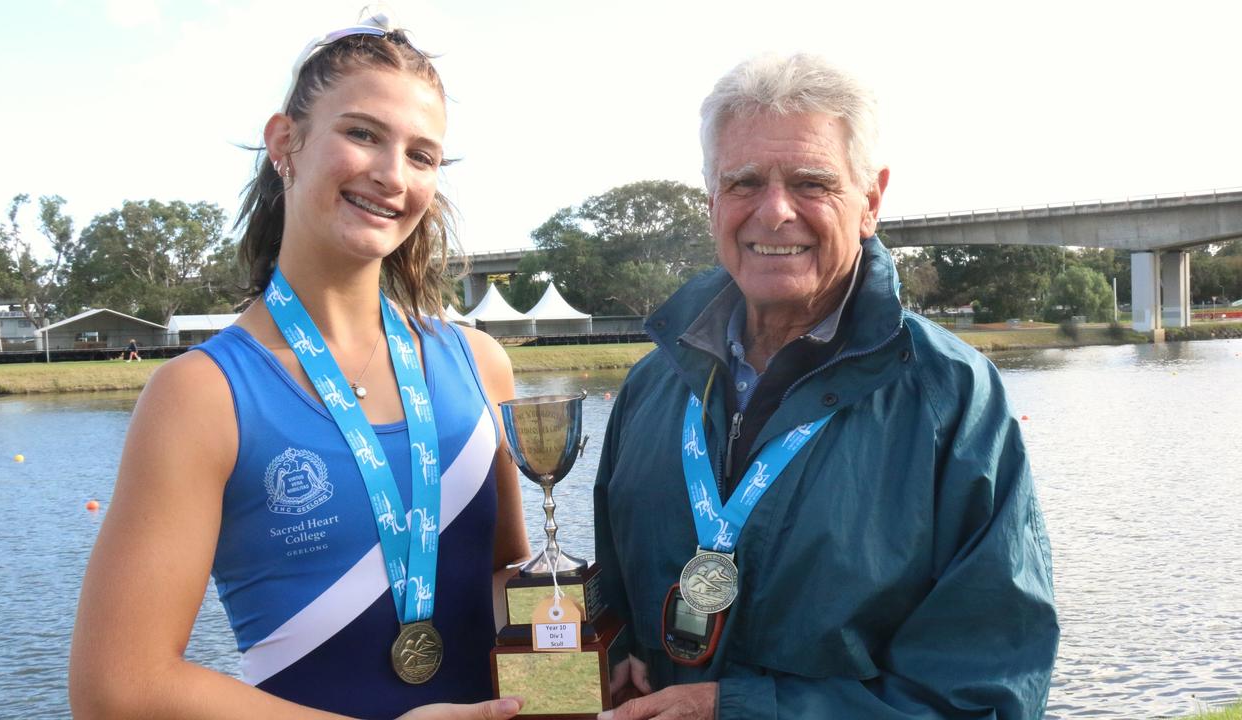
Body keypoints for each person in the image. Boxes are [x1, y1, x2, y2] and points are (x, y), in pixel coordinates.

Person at [70, 15, 529, 720]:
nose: (390, 174)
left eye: (422, 154)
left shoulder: (480, 365)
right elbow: (116, 690)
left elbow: (500, 578)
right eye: (363, 134)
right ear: (286, 141)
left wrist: (597, 645)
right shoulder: (203, 394)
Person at [594, 54, 1058, 720]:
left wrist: (740, 711)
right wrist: (615, 656)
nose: (775, 211)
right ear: (712, 202)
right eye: (745, 181)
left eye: (811, 182)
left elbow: (983, 695)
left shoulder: (953, 399)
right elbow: (617, 602)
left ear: (870, 200)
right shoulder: (651, 386)